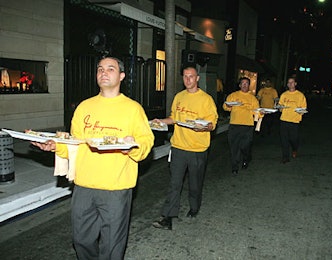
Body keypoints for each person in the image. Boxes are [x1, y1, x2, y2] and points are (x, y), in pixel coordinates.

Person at [31, 57, 155, 259]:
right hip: (84, 186)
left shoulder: (133, 109)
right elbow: (75, 145)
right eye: (100, 69)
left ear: (122, 76)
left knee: (112, 245)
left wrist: (131, 147)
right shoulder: (84, 107)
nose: (103, 72)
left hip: (116, 188)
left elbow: (145, 144)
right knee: (81, 240)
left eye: (110, 69)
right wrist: (55, 146)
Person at [151, 66, 218, 230]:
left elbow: (212, 124)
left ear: (197, 79)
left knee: (195, 183)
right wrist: (160, 121)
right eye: (185, 76)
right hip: (178, 147)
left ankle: (194, 207)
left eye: (191, 76)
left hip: (197, 149)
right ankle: (167, 217)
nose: (188, 79)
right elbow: (174, 118)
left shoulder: (206, 99)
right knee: (175, 184)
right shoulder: (179, 97)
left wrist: (203, 128)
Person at [223, 77, 260, 175]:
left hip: (248, 126)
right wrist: (229, 106)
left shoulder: (252, 98)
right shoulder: (233, 95)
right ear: (239, 85)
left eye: (246, 83)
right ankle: (234, 167)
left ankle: (246, 158)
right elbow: (225, 107)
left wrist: (261, 113)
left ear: (249, 85)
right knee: (234, 147)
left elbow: (257, 111)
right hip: (234, 124)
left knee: (245, 146)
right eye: (242, 83)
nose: (244, 85)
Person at [278, 76, 307, 164]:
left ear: (295, 84)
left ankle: (294, 148)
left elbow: (304, 108)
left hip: (294, 121)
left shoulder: (300, 95)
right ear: (287, 84)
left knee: (293, 139)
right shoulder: (284, 95)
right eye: (289, 82)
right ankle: (285, 157)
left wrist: (300, 111)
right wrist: (280, 107)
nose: (290, 84)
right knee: (284, 140)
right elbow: (280, 106)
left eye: (292, 82)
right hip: (284, 119)